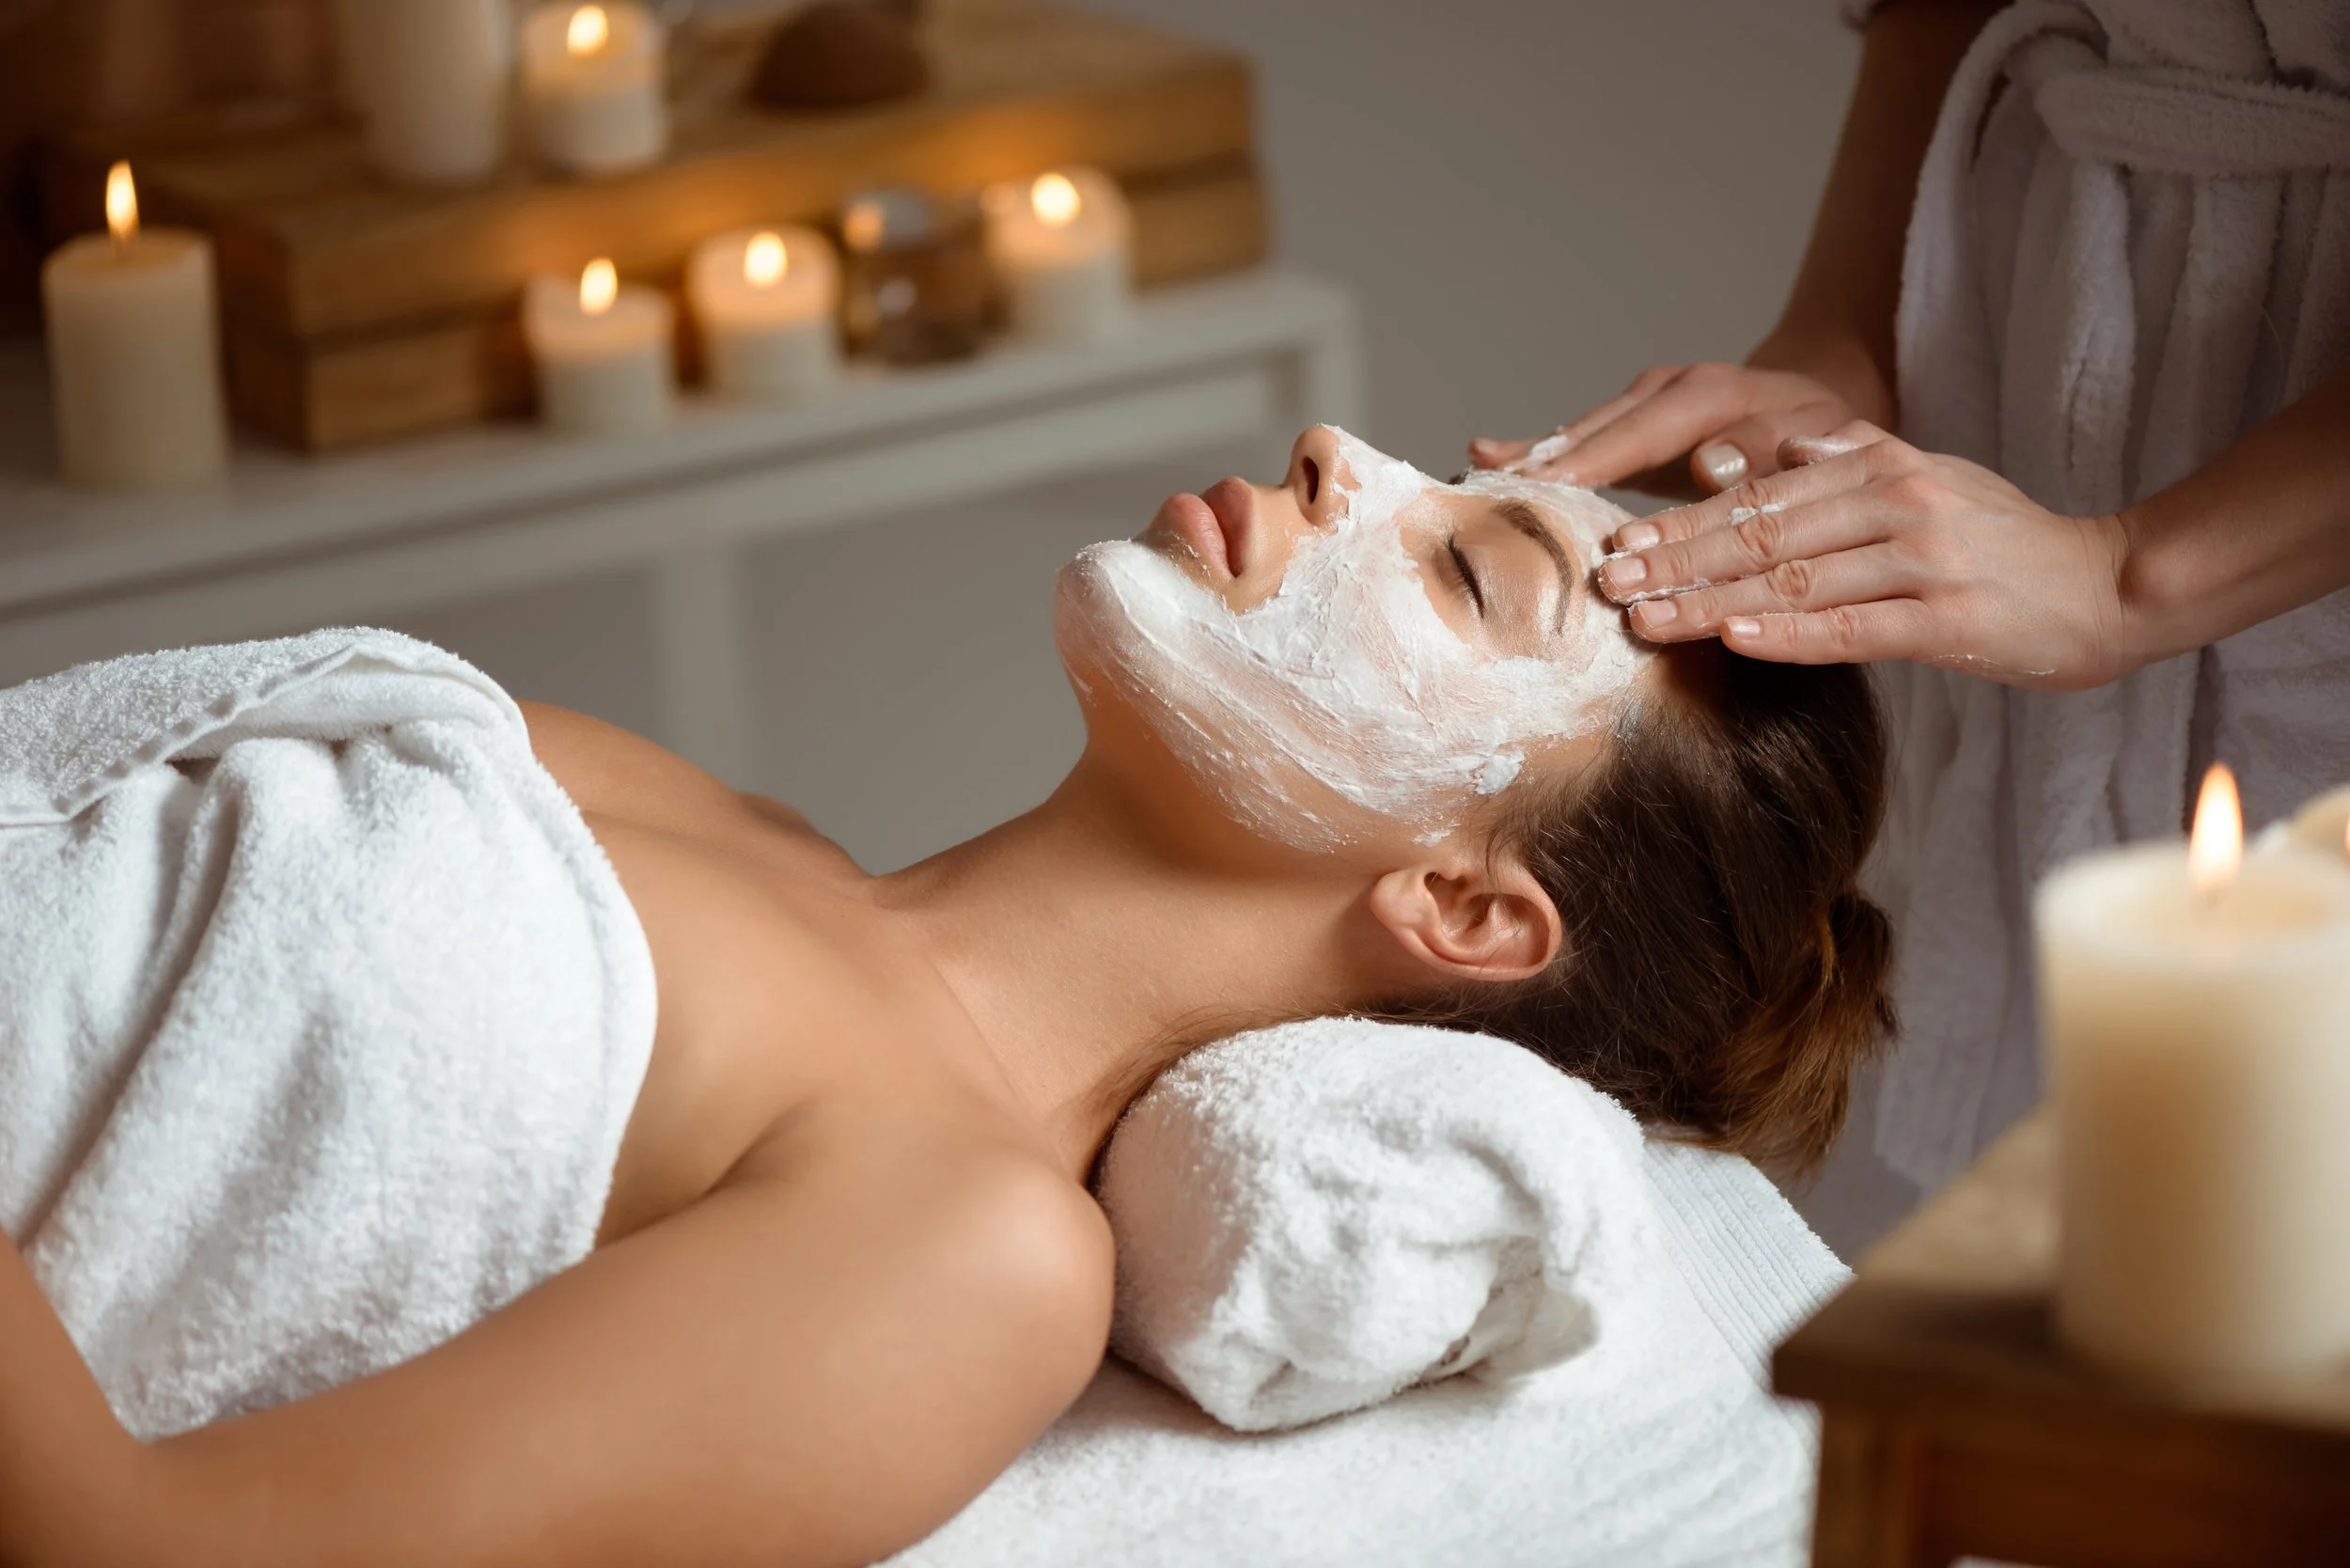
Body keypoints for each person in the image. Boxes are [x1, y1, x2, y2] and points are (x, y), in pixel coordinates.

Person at [0, 426, 1890, 1566]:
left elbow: (143, 1553)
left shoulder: (966, 1247)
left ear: (1464, 909)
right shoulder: (695, 801)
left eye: (1475, 568)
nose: (1341, 459)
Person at [1474, 0, 2350, 1195]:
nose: (1325, 452)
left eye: (1475, 575)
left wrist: (2132, 573)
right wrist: (1833, 347)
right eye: (1466, 560)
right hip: (2024, 293)